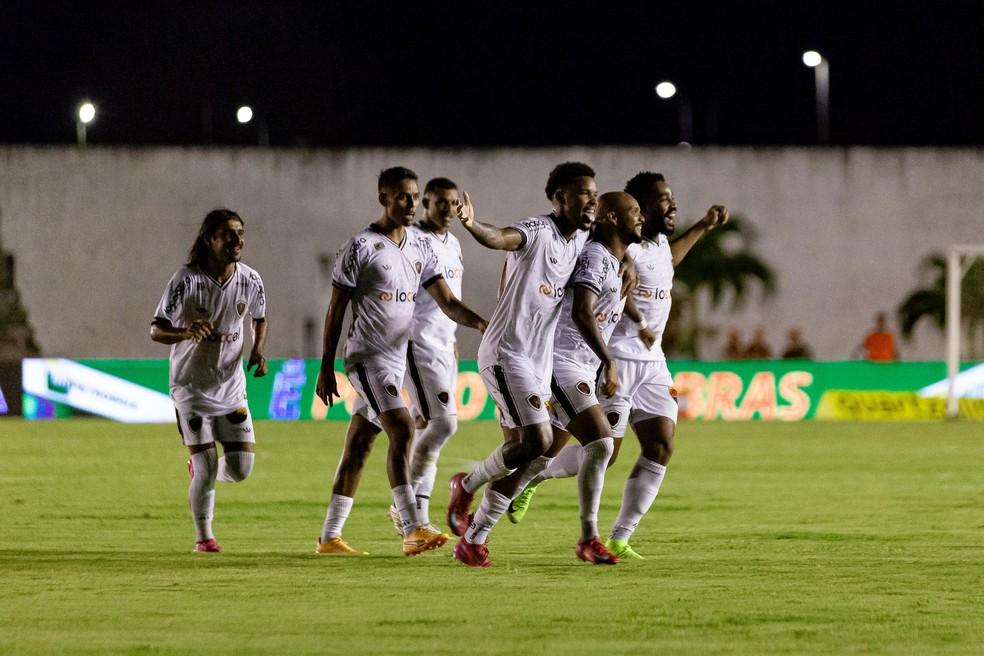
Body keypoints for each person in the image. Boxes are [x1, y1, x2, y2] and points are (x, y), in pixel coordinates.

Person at [508, 172, 727, 560]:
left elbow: (671, 260)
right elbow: (603, 280)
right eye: (662, 200)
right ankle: (528, 479)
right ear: (638, 207)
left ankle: (620, 538)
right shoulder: (620, 250)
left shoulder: (657, 245)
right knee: (604, 451)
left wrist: (703, 226)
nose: (671, 205)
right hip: (617, 359)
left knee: (661, 444)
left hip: (654, 363)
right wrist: (638, 321)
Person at [314, 166, 487, 557]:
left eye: (413, 196)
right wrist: (326, 366)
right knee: (404, 427)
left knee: (358, 447)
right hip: (367, 357)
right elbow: (335, 310)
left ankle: (329, 537)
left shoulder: (419, 247)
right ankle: (412, 526)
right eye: (403, 196)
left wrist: (480, 323)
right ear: (383, 198)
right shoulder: (360, 246)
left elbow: (446, 301)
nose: (410, 204)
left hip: (394, 359)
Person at [445, 161, 597, 567]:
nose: (591, 199)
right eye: (583, 192)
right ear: (559, 197)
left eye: (594, 192)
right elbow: (500, 237)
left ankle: (473, 538)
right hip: (506, 353)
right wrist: (473, 224)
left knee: (529, 453)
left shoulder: (582, 240)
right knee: (538, 443)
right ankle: (468, 482)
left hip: (539, 361)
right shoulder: (539, 230)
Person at [502, 191, 644, 565]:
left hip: (585, 367)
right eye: (635, 212)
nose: (641, 218)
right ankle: (588, 538)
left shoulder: (614, 257)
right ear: (613, 218)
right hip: (564, 364)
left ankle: (476, 511)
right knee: (600, 445)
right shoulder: (596, 255)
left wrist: (627, 261)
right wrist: (609, 361)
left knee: (544, 452)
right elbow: (582, 311)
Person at [151, 209, 268, 553]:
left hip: (232, 390)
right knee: (206, 465)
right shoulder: (186, 280)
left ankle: (201, 473)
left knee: (242, 468)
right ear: (209, 239)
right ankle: (204, 538)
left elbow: (259, 317)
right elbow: (156, 329)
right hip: (191, 389)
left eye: (240, 234)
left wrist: (259, 349)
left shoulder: (251, 280)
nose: (237, 241)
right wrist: (185, 332)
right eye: (228, 234)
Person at [386, 177, 466, 532]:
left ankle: (415, 516)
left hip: (443, 345)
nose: (448, 209)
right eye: (440, 203)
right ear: (427, 204)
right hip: (418, 344)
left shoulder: (455, 243)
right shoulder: (414, 241)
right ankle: (404, 509)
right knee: (444, 424)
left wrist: (454, 343)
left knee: (426, 426)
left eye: (453, 203)